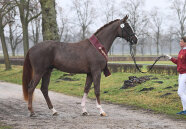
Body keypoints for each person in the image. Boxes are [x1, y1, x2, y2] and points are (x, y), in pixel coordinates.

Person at [166, 36, 186, 114]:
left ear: (185, 42)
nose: (179, 42)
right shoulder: (181, 51)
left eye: (181, 41)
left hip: (185, 74)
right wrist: (171, 58)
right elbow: (178, 62)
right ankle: (184, 110)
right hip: (180, 74)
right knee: (183, 93)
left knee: (180, 92)